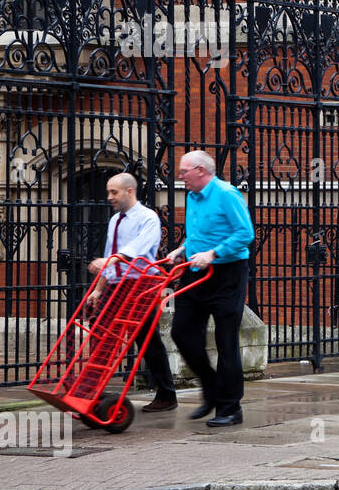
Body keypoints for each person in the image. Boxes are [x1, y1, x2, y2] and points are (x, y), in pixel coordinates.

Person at [166, 151, 255, 427]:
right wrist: (183, 249)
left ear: (201, 171)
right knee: (181, 332)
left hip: (227, 274)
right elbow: (199, 234)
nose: (180, 177)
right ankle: (212, 388)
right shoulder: (193, 195)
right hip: (196, 270)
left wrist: (213, 254)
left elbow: (245, 233)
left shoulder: (226, 194)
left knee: (226, 341)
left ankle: (230, 408)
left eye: (184, 171)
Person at [87, 173, 177, 411]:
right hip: (118, 284)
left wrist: (109, 261)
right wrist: (98, 290)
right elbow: (111, 255)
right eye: (108, 192)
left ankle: (167, 395)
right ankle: (94, 385)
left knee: (147, 338)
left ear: (129, 191)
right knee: (99, 328)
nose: (109, 197)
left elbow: (137, 250)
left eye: (114, 192)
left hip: (141, 284)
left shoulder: (148, 218)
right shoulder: (115, 220)